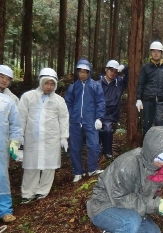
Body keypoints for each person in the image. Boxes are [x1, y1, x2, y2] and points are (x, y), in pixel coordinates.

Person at [18, 68, 69, 203]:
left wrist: (64, 137)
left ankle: (42, 191)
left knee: (49, 166)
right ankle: (28, 192)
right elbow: (21, 117)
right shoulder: (28, 97)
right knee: (30, 166)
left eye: (52, 84)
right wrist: (20, 135)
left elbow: (64, 118)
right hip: (32, 138)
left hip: (51, 139)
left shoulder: (59, 100)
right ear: (41, 82)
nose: (49, 87)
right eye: (47, 83)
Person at [65, 58, 105, 183]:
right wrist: (71, 115)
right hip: (75, 121)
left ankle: (92, 168)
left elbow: (100, 102)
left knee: (94, 145)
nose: (83, 74)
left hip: (91, 120)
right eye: (80, 71)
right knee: (75, 147)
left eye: (85, 71)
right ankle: (78, 171)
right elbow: (68, 103)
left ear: (89, 72)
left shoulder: (95, 86)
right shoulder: (73, 87)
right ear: (77, 72)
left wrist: (98, 117)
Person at [136, 41, 163, 139]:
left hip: (161, 100)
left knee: (159, 122)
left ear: (161, 53)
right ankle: (145, 149)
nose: (156, 53)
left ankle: (160, 149)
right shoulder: (145, 68)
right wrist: (139, 99)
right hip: (147, 99)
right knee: (147, 125)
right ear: (151, 53)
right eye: (153, 51)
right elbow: (141, 83)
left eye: (158, 51)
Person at [98, 60, 128, 159]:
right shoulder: (98, 83)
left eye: (115, 71)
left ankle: (108, 153)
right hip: (99, 113)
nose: (113, 73)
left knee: (107, 129)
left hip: (111, 115)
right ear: (106, 69)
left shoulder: (119, 82)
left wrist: (124, 67)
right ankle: (99, 151)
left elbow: (129, 75)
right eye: (111, 70)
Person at [0, 93, 21, 222]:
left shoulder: (7, 101)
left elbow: (15, 124)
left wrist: (14, 141)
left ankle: (5, 210)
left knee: (2, 176)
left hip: (1, 145)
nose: (3, 81)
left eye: (7, 79)